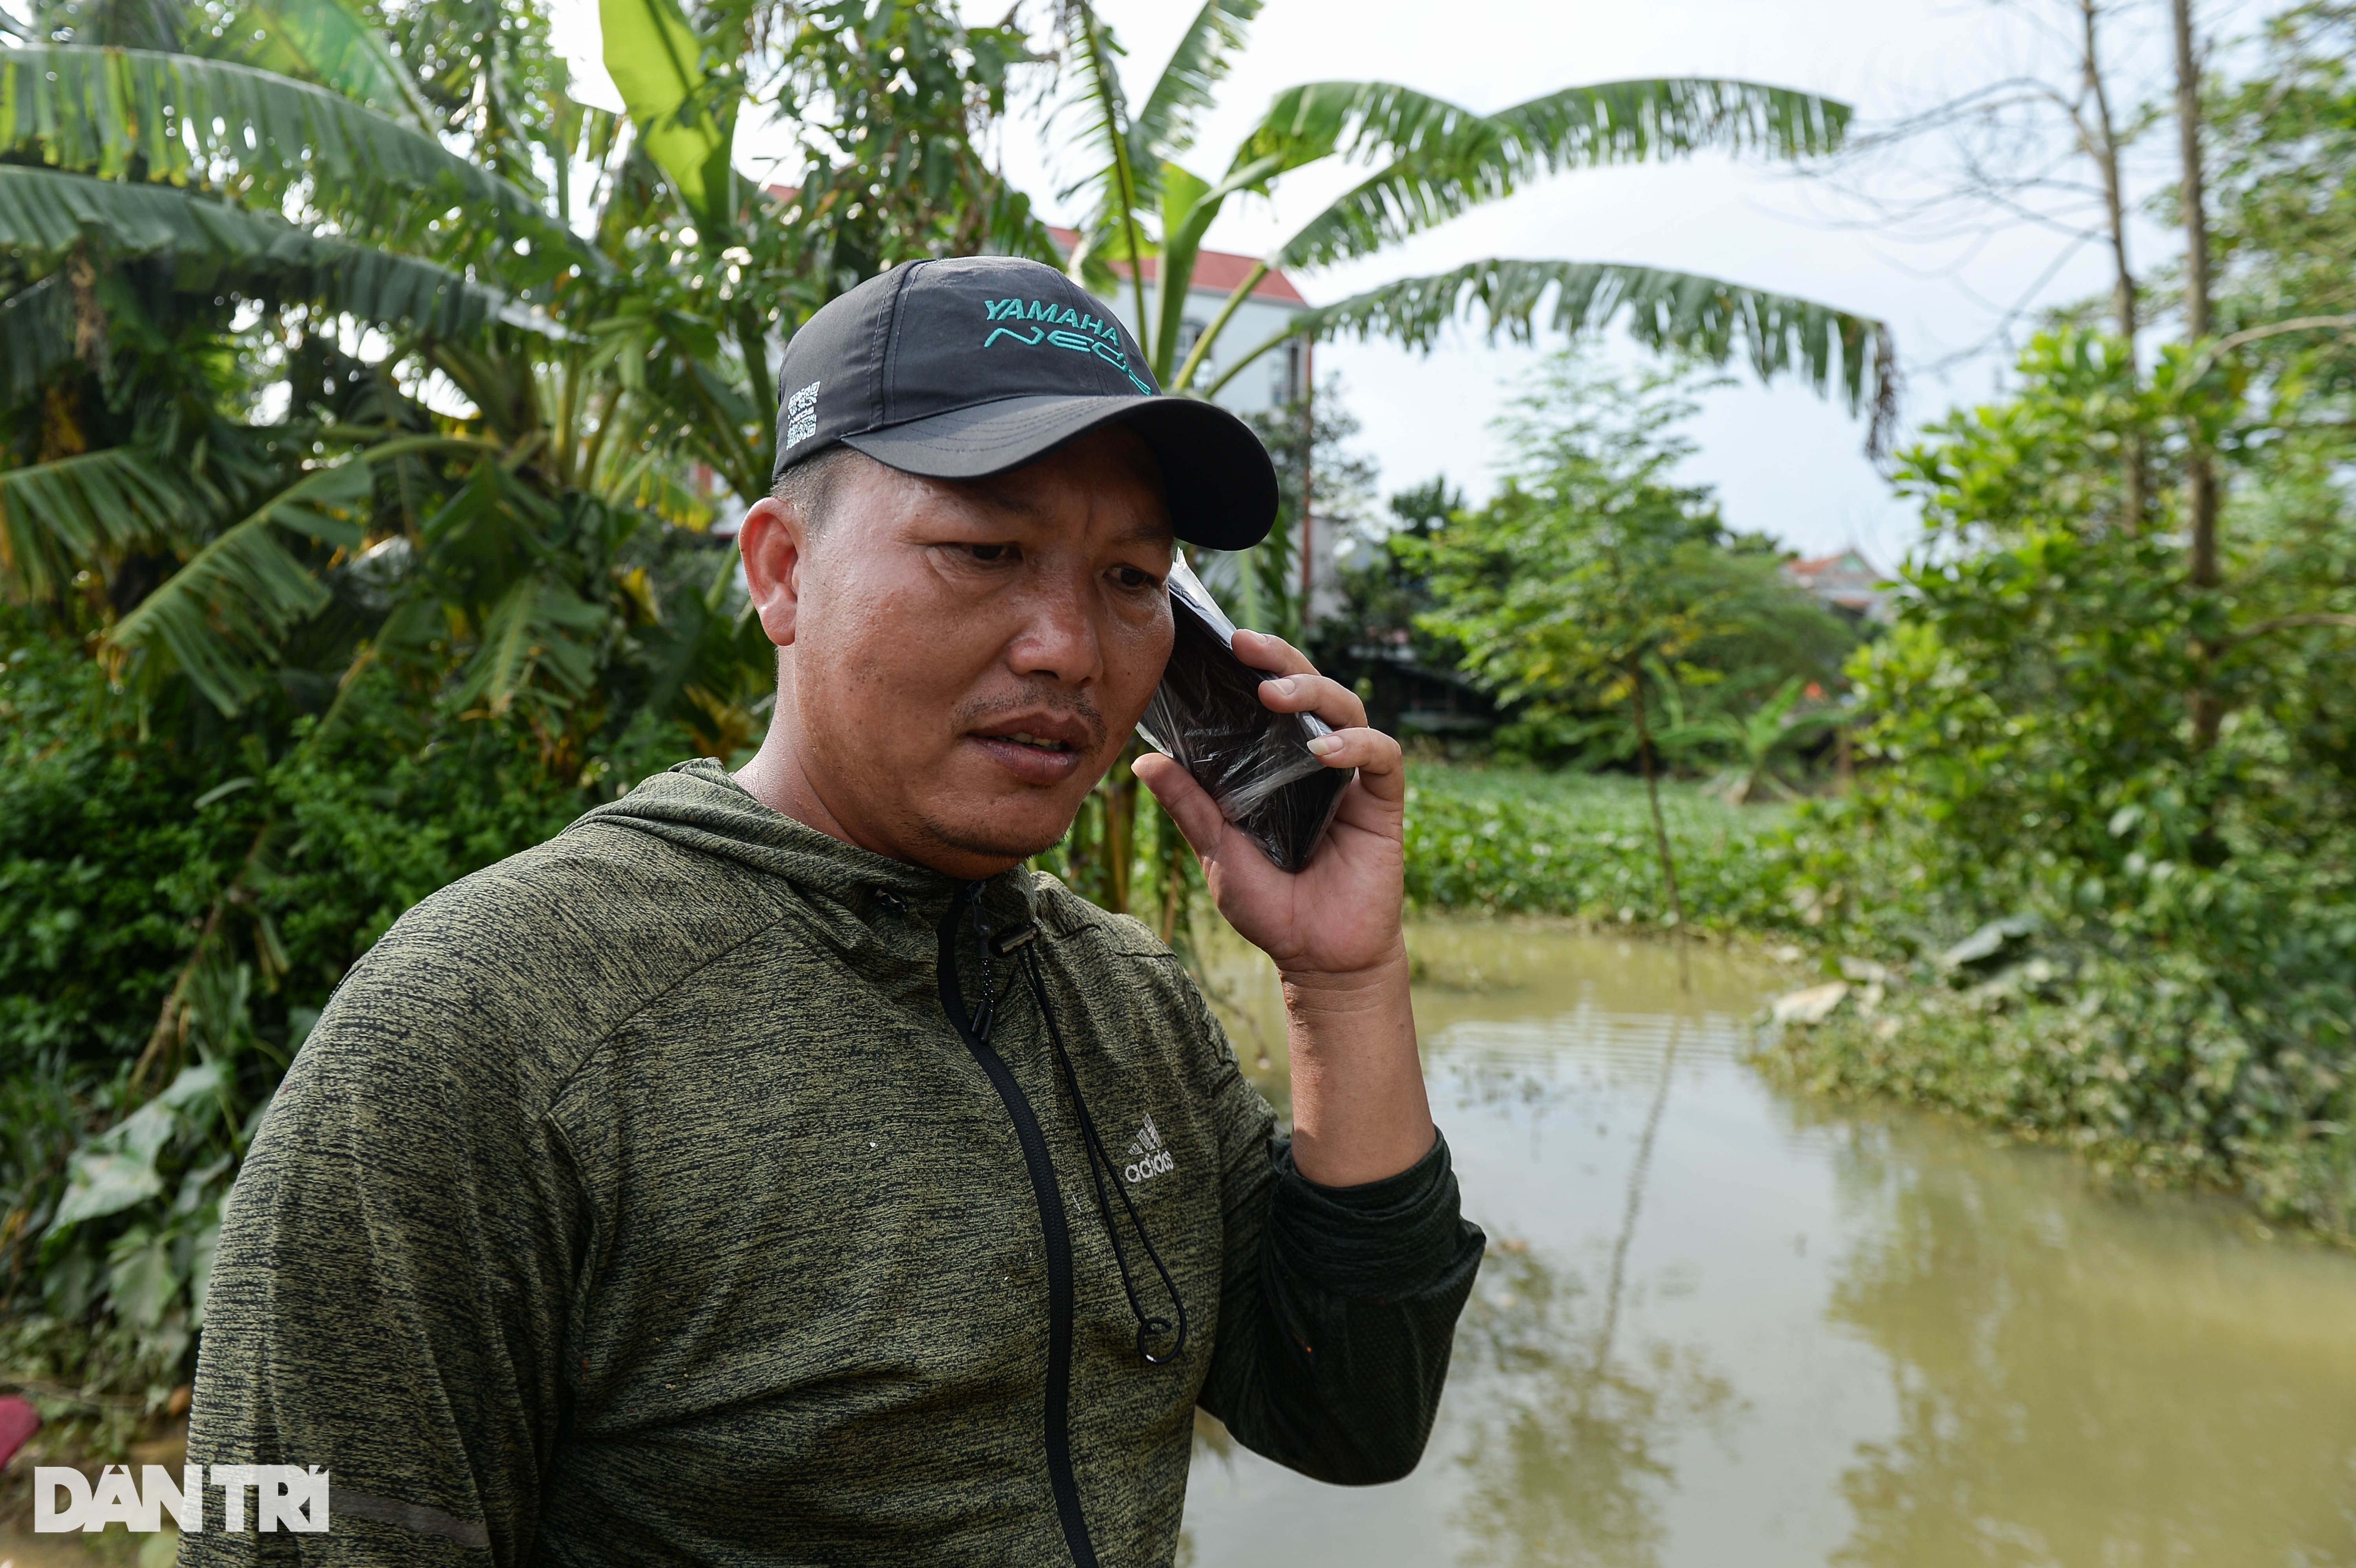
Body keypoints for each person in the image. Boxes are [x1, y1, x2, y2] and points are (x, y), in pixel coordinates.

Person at [183, 255, 1483, 1566]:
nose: (1069, 647)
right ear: (783, 570)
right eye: (986, 549)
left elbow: (1354, 1413)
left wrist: (1344, 985)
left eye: (1132, 579)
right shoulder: (486, 1030)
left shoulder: (1122, 1002)